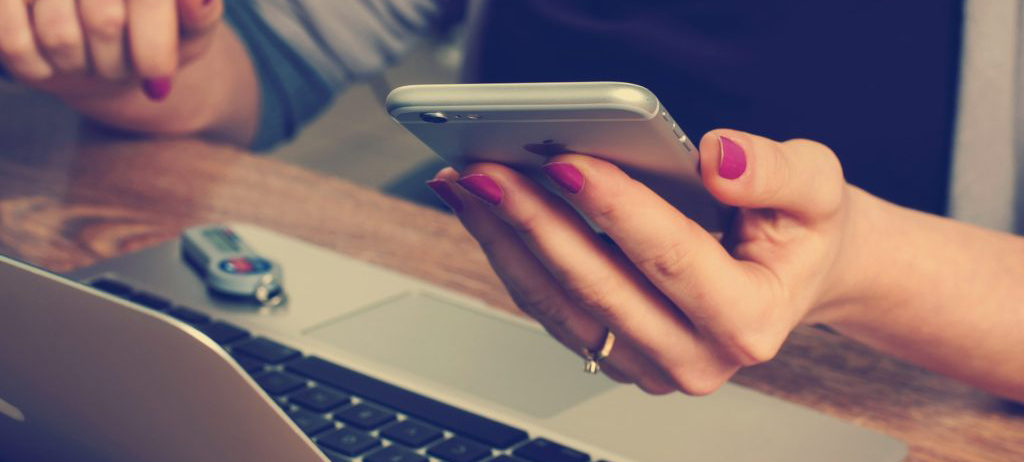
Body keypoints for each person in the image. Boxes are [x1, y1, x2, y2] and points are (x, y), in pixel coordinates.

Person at [1, 0, 1021, 402]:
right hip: (474, 340)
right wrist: (136, 51)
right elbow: (261, 63)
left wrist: (855, 263)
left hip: (887, 401)